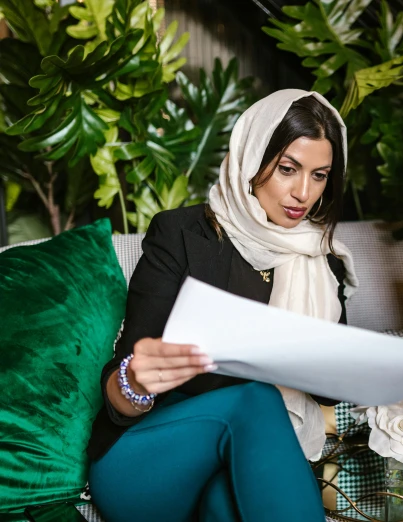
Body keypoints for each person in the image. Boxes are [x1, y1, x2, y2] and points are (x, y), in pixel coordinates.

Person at [86, 90, 357, 522]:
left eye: (320, 175)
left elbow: (327, 390)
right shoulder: (181, 233)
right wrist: (135, 382)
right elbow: (124, 380)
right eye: (288, 169)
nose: (303, 192)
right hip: (146, 461)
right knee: (255, 397)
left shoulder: (320, 258)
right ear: (252, 156)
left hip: (240, 465)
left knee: (228, 505)